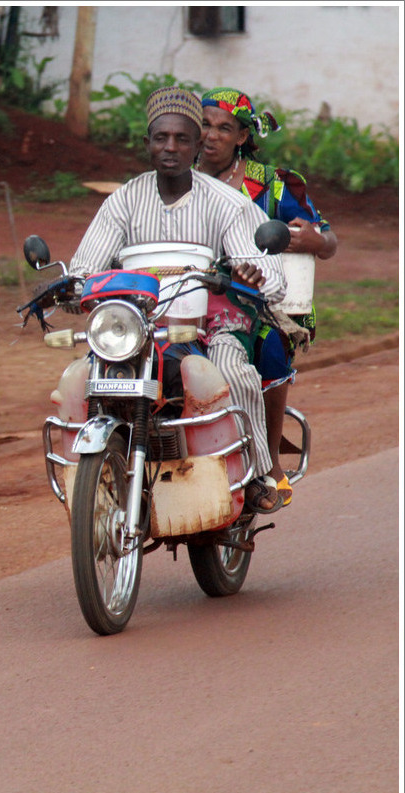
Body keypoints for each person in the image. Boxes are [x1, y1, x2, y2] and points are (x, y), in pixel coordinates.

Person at [69, 86, 288, 513]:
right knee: (84, 373)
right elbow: (85, 267)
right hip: (138, 327)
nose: (170, 147)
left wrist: (251, 272)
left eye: (182, 139)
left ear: (195, 146)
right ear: (147, 143)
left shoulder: (227, 203)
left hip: (211, 323)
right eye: (160, 138)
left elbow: (272, 277)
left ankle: (257, 472)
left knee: (229, 368)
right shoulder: (124, 201)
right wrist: (69, 285)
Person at [196, 86, 338, 505]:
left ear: (242, 136)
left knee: (270, 347)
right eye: (204, 124)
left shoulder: (273, 185)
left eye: (224, 128)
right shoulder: (176, 177)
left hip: (254, 301)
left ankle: (270, 459)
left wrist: (314, 239)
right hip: (182, 297)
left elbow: (328, 240)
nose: (211, 135)